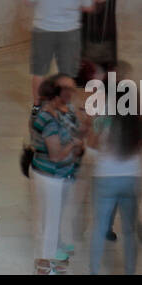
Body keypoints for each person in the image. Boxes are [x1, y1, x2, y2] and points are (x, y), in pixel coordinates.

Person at [24, 0, 93, 108]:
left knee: (39, 71)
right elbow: (88, 7)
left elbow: (28, 1)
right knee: (67, 72)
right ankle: (66, 105)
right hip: (69, 32)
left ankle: (37, 105)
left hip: (43, 30)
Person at [28, 74, 83, 274]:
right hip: (49, 176)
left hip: (57, 176)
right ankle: (44, 265)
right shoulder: (48, 118)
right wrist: (73, 144)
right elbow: (56, 155)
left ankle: (48, 261)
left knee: (53, 221)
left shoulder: (60, 113)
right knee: (50, 223)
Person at [87, 110, 142, 275]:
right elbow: (141, 145)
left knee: (99, 227)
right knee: (129, 231)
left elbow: (91, 146)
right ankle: (130, 271)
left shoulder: (103, 119)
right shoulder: (138, 121)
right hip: (131, 176)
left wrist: (100, 156)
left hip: (105, 177)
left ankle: (94, 271)